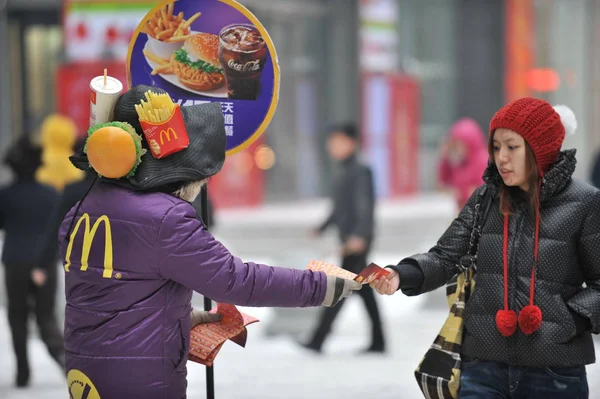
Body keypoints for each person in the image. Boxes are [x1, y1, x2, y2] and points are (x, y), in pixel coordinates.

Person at [61, 85, 361, 399]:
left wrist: (179, 319)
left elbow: (108, 292)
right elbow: (237, 281)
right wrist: (319, 286)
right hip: (139, 381)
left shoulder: (82, 209)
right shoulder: (164, 219)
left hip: (86, 375)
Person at [372, 98, 597, 398]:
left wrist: (568, 319)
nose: (501, 157)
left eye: (512, 147)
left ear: (539, 148)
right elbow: (445, 256)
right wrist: (401, 274)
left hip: (553, 372)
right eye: (496, 146)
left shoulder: (584, 203)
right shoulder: (486, 198)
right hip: (483, 367)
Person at [302, 123, 385, 354]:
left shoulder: (360, 170)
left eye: (337, 141)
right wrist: (322, 227)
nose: (332, 146)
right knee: (365, 291)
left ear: (351, 143)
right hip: (350, 239)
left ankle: (318, 339)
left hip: (357, 242)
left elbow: (365, 207)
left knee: (340, 288)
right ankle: (379, 341)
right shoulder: (345, 169)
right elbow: (339, 208)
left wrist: (360, 236)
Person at [0, 136, 65, 388]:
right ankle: (65, 363)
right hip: (45, 262)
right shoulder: (51, 194)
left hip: (15, 261)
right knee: (46, 317)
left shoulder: (5, 195)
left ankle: (22, 373)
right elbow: (56, 229)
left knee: (17, 318)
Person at [437, 117, 489, 209]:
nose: (457, 148)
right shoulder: (460, 162)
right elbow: (443, 183)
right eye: (455, 144)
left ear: (470, 143)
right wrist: (445, 156)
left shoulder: (482, 161)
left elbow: (483, 193)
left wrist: (461, 193)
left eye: (460, 144)